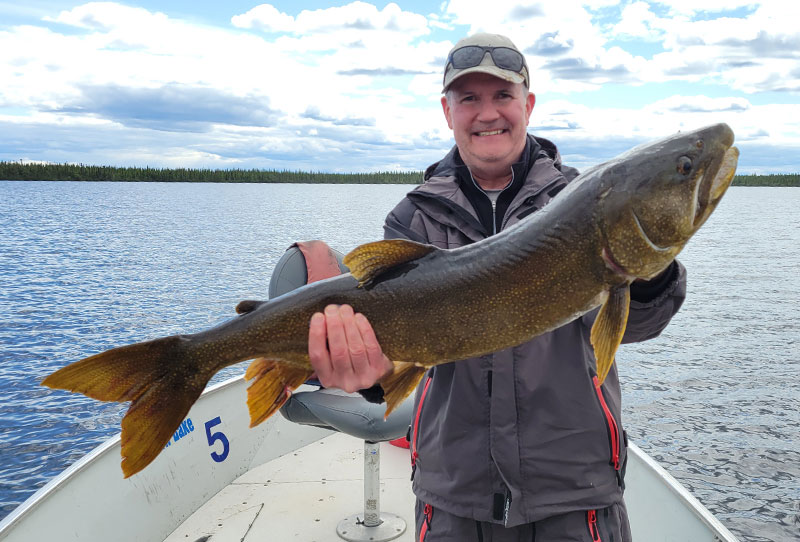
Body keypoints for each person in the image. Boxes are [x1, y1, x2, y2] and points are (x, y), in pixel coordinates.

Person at [307, 33, 686, 541]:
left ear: (528, 105)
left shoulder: (588, 205)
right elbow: (395, 360)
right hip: (454, 495)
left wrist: (648, 267)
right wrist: (369, 375)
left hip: (574, 491)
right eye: (469, 99)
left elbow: (638, 325)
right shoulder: (413, 219)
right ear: (448, 112)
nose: (488, 114)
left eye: (503, 96)